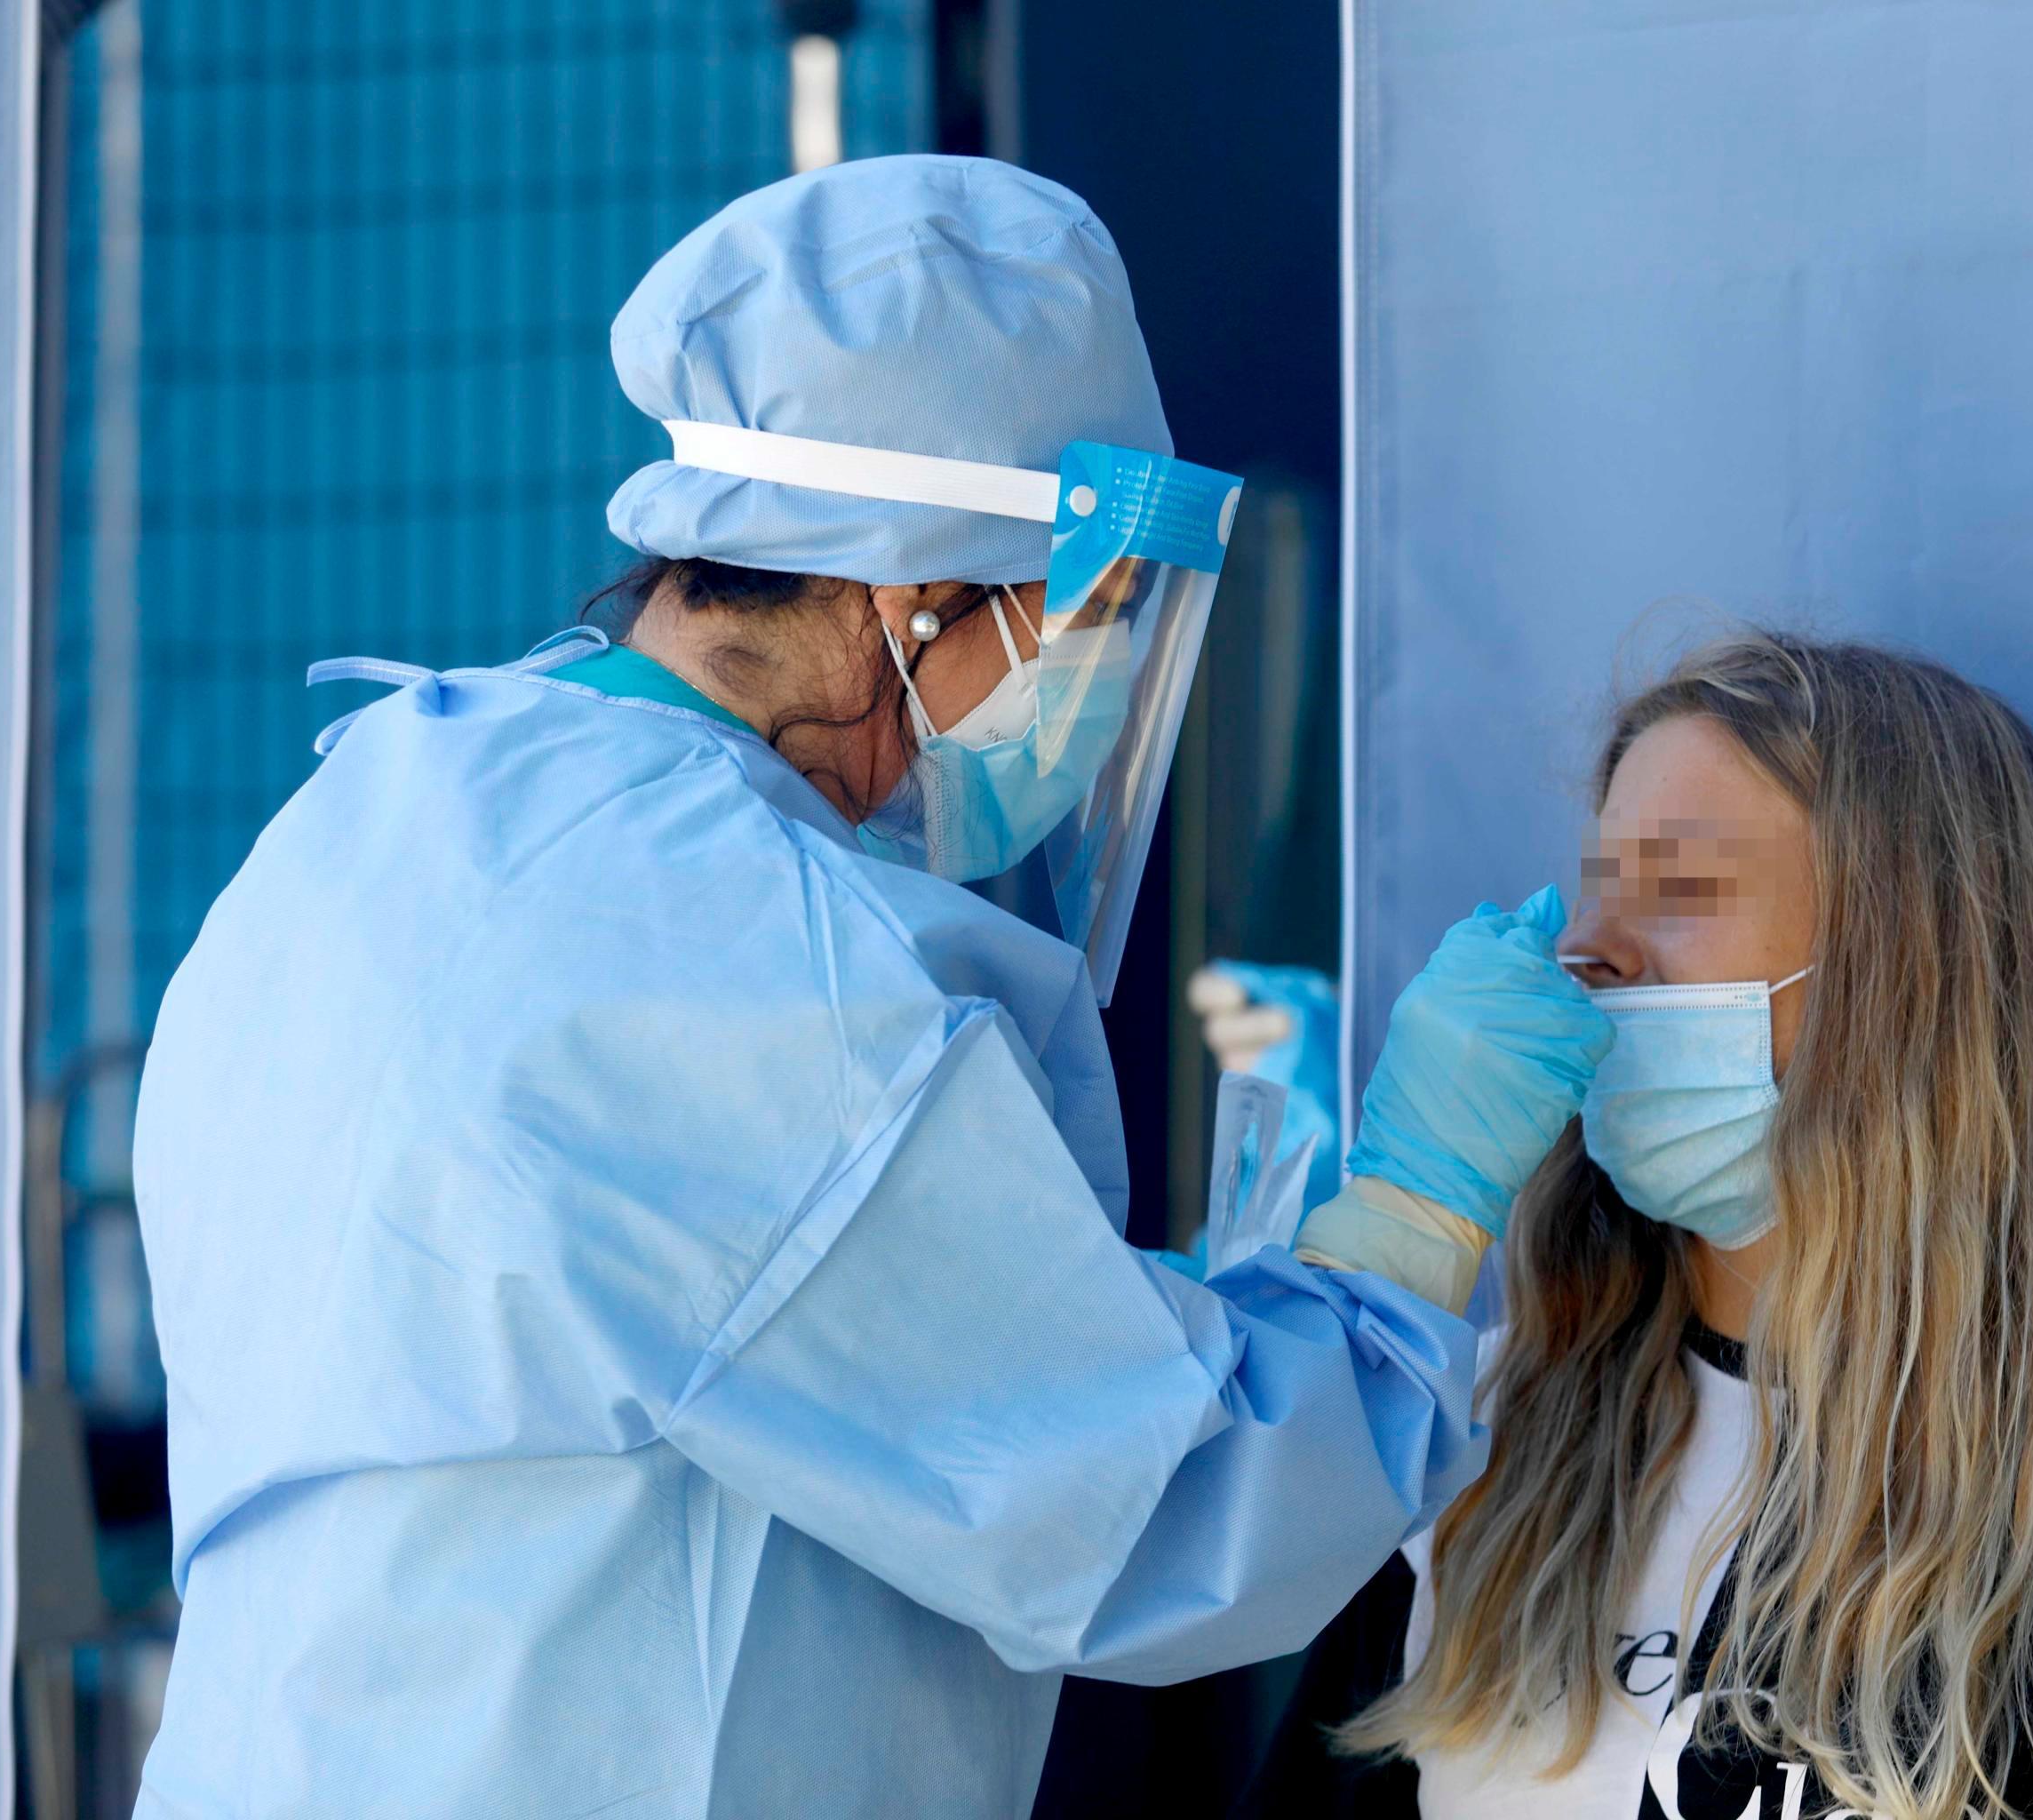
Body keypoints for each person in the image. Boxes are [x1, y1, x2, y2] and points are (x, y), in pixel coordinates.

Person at [127, 157, 1610, 1818]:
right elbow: (1167, 1514)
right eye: (1084, 624)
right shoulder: (752, 957)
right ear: (916, 599)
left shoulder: (392, 805)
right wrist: (1417, 1209)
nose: (1093, 696)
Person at [1241, 633, 2033, 1820]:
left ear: (1910, 965)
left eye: (1685, 885)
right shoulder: (1474, 1434)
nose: (1584, 949)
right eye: (1598, 881)